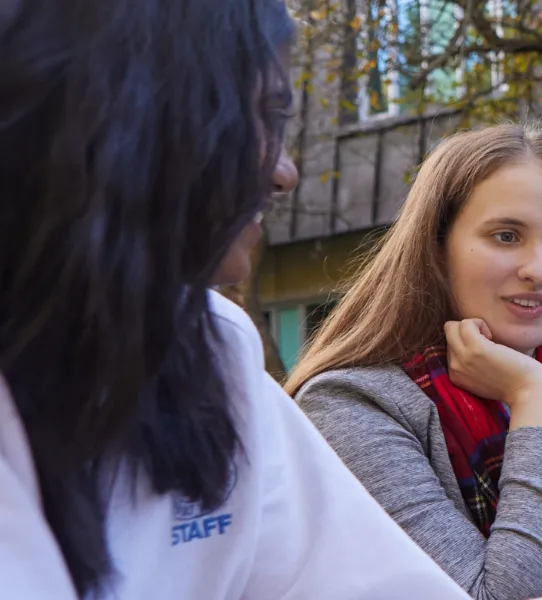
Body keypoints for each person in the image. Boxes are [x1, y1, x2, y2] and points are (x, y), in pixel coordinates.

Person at [0, 0, 473, 597]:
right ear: (131, 115)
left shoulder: (211, 348)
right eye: (260, 115)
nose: (285, 172)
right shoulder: (356, 398)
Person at [282, 124, 542, 599]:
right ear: (436, 247)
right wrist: (530, 397)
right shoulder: (349, 407)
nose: (538, 270)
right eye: (506, 235)